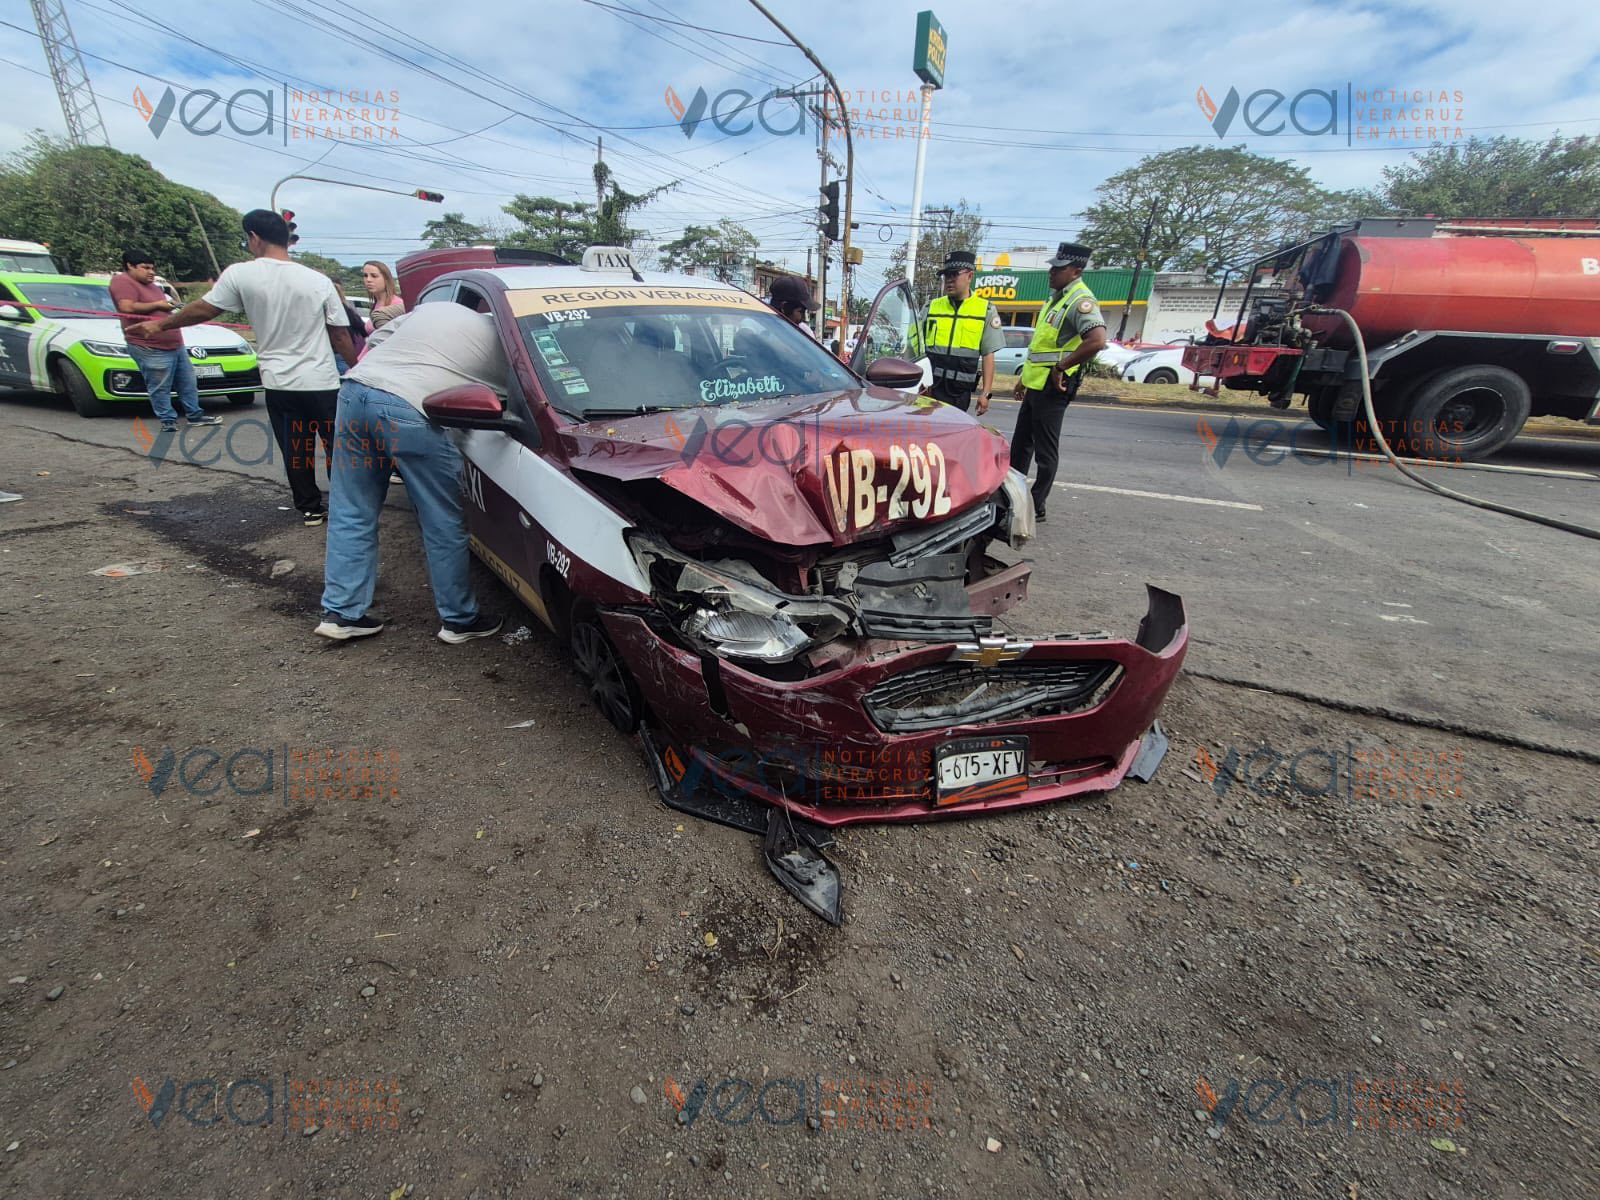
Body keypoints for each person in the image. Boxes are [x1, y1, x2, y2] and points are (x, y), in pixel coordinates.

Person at [131, 210, 356, 526]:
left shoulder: (241, 274)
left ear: (254, 237)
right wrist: (358, 369)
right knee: (336, 447)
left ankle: (311, 509)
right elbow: (340, 334)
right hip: (323, 382)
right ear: (285, 239)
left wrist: (160, 327)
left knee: (295, 449)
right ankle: (346, 507)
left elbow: (203, 309)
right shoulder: (317, 280)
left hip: (280, 383)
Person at [314, 302, 508, 644]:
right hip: (412, 408)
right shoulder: (509, 340)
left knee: (351, 510)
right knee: (441, 519)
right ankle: (459, 620)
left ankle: (342, 613)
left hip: (356, 391)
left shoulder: (438, 308)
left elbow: (376, 340)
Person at [1009, 242, 1107, 522]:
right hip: (1037, 385)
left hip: (1055, 387)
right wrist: (1024, 381)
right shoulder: (1056, 298)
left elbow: (1097, 340)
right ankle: (1014, 498)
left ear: (1076, 271)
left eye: (1059, 268)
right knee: (1021, 446)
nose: (1051, 271)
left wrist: (1063, 366)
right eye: (1052, 266)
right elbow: (1041, 349)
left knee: (1044, 450)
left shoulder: (1080, 300)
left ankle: (1037, 505)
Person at [109, 249, 221, 433]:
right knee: (160, 385)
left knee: (187, 381)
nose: (151, 272)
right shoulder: (123, 281)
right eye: (145, 268)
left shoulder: (152, 286)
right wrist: (158, 305)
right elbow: (126, 307)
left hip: (174, 344)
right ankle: (167, 420)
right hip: (150, 345)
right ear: (129, 266)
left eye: (152, 268)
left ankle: (195, 415)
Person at [920, 249, 1005, 415]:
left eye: (954, 275)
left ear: (970, 276)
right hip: (929, 389)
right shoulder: (931, 308)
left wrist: (985, 393)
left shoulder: (985, 310)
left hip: (959, 393)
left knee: (953, 438)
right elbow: (913, 347)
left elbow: (988, 355)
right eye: (946, 276)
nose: (949, 280)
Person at [361, 260, 405, 330]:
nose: (368, 280)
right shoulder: (376, 304)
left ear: (386, 279)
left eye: (374, 276)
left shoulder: (397, 304)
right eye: (365, 276)